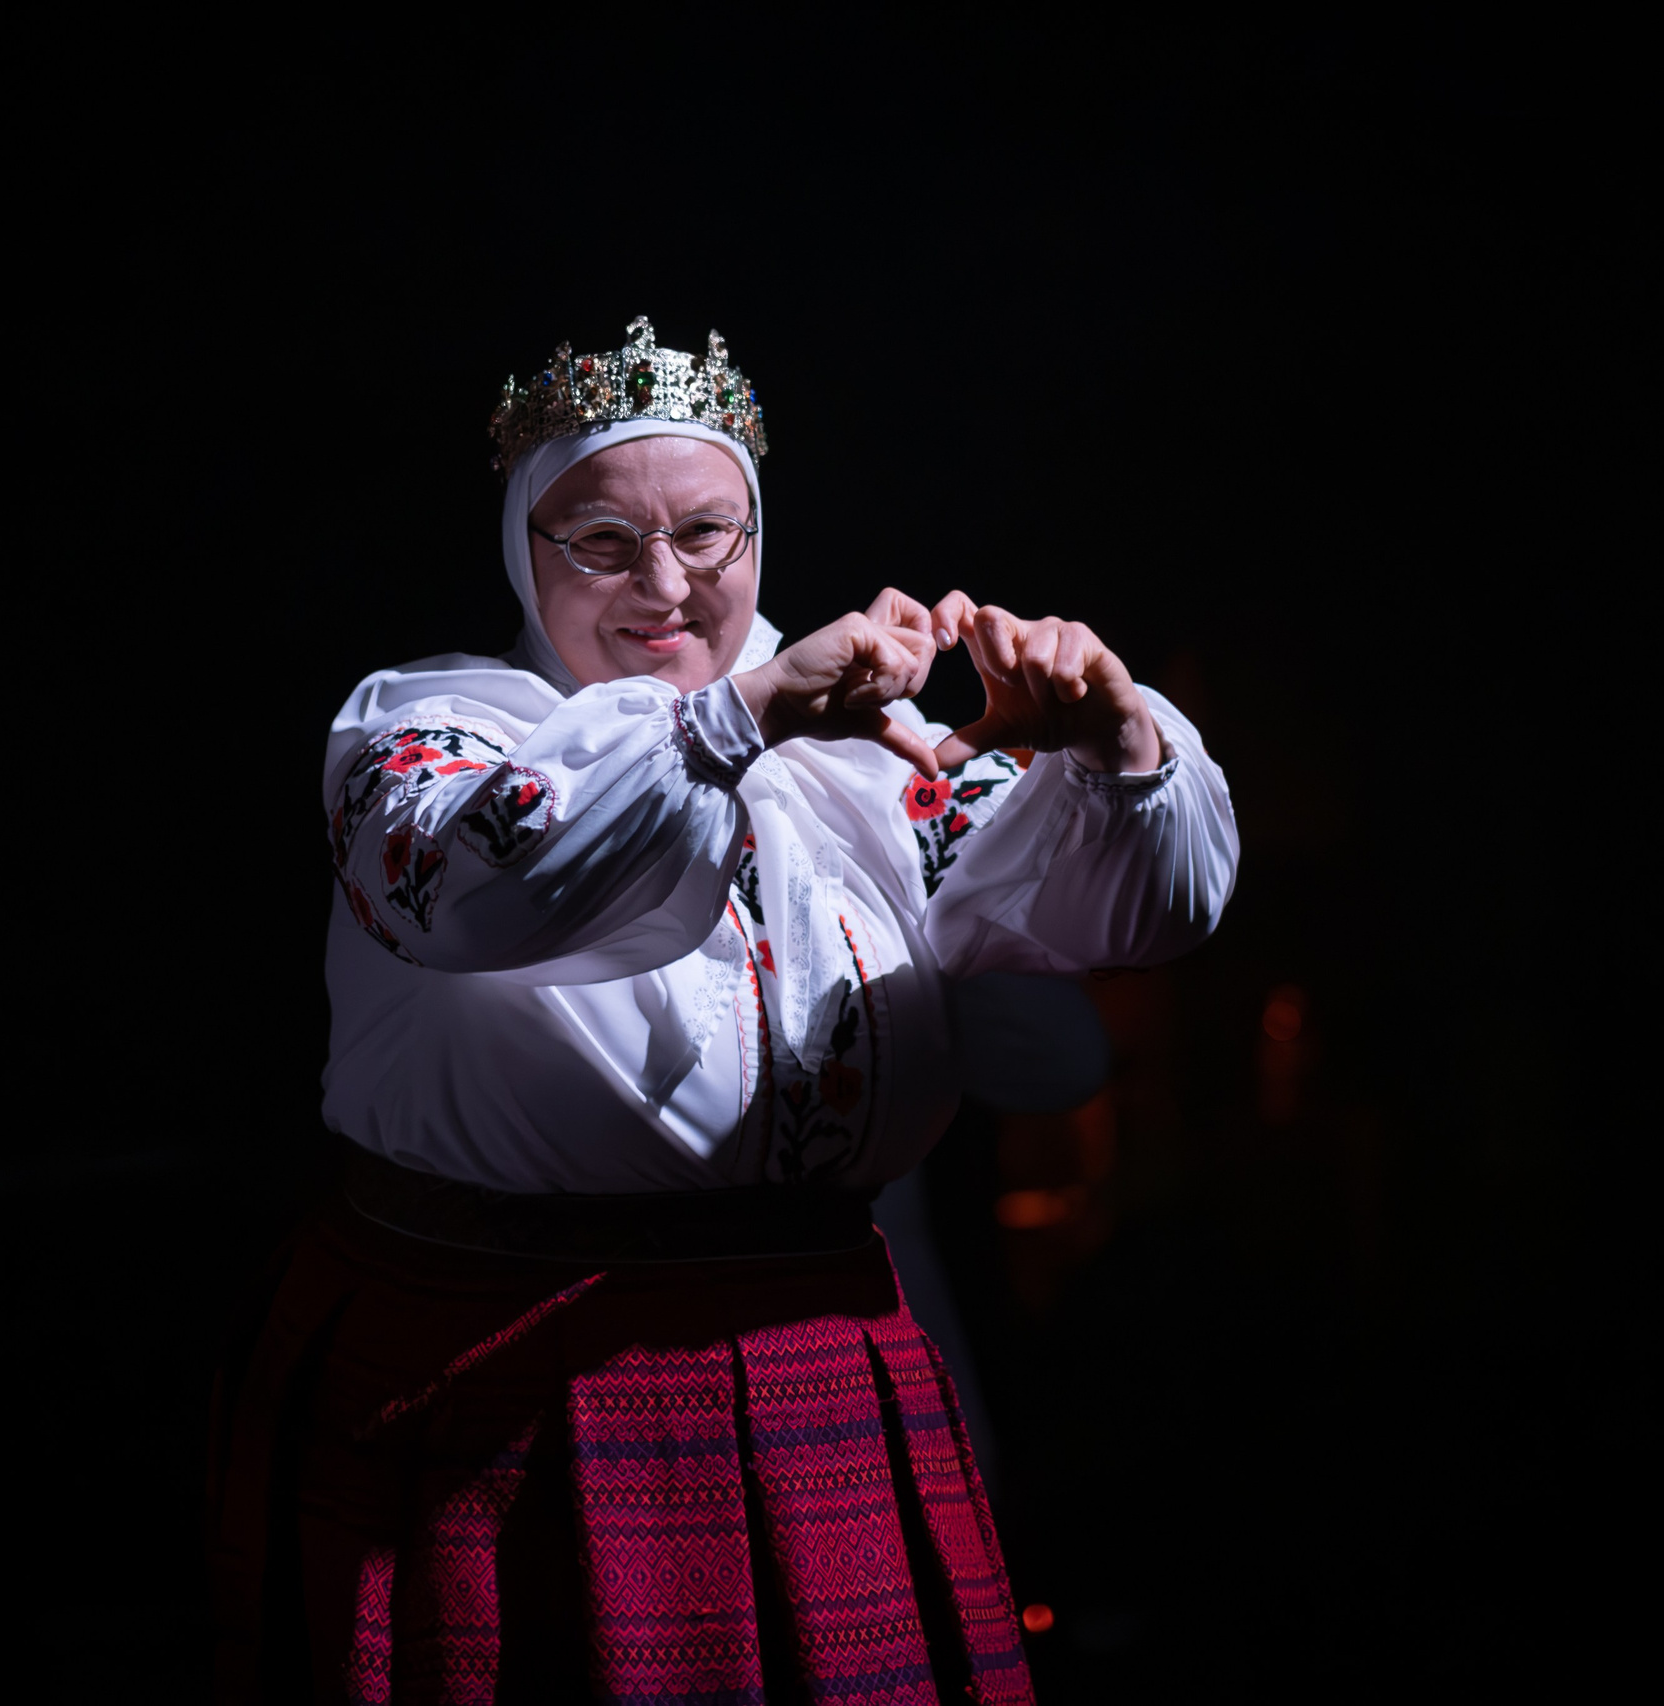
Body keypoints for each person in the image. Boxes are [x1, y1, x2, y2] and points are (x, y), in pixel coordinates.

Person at [206, 318, 1239, 1703]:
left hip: (818, 1363)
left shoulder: (871, 773)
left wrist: (1115, 739)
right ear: (526, 544)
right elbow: (482, 878)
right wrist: (741, 713)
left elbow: (1142, 911)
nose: (668, 586)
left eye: (709, 533)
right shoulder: (431, 730)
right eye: (601, 542)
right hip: (503, 1389)